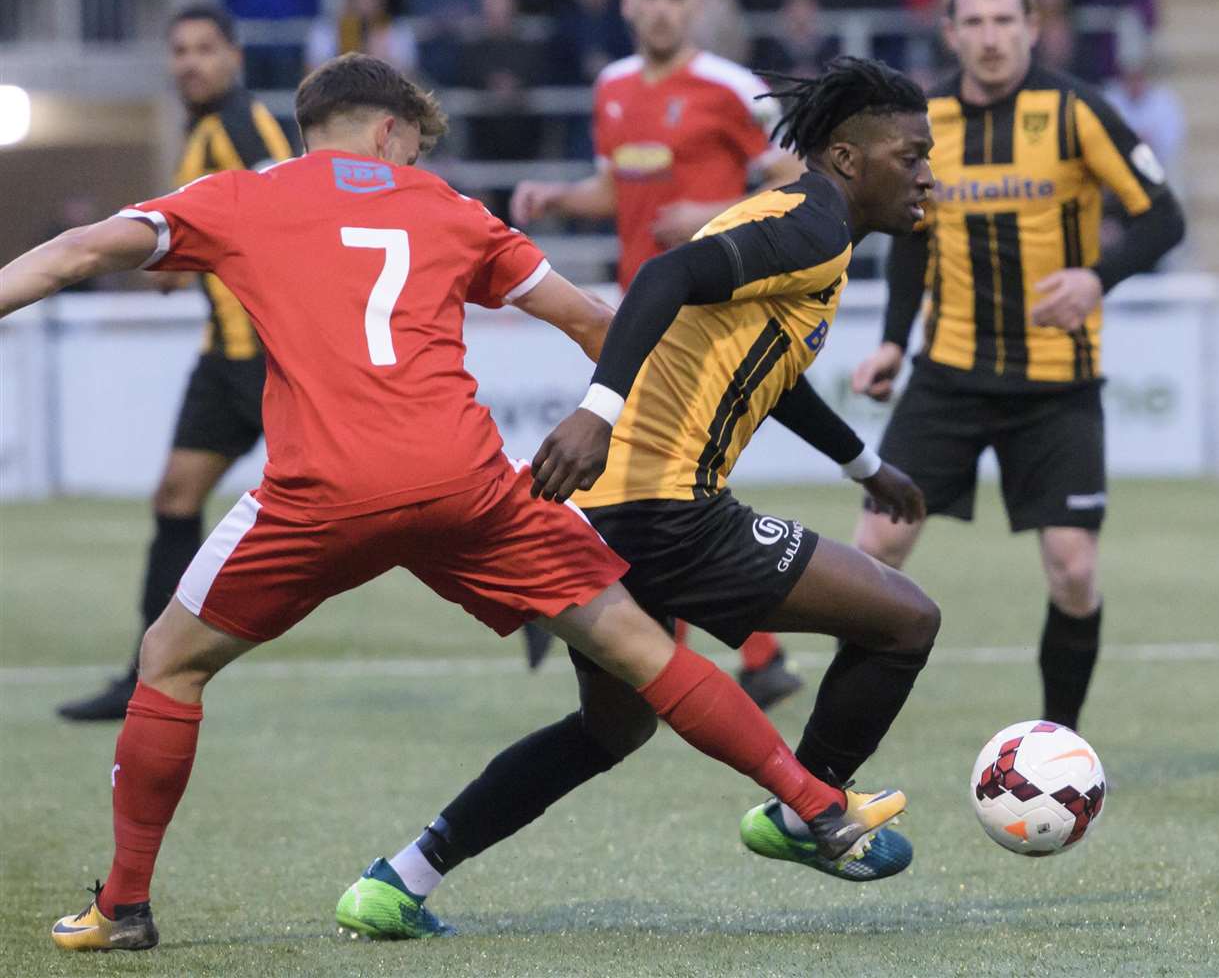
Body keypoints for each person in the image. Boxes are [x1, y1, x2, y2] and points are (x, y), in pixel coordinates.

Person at [4, 53, 908, 952]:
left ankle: (123, 907)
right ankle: (817, 807)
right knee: (637, 645)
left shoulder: (238, 195)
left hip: (323, 490)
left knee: (169, 661)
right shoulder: (449, 209)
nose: (414, 168)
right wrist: (619, 424)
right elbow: (593, 320)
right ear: (390, 130)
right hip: (467, 484)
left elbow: (79, 252)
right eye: (414, 150)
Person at [335, 57, 942, 939]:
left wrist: (863, 467)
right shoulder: (812, 222)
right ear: (847, 158)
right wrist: (595, 412)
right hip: (668, 510)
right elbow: (663, 277)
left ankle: (399, 879)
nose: (926, 172)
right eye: (911, 153)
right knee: (904, 620)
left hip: (615, 512)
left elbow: (769, 368)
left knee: (608, 730)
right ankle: (809, 811)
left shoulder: (805, 227)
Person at [849, 0, 1185, 732]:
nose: (991, 38)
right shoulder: (922, 121)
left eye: (1006, 22)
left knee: (1072, 571)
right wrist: (894, 343)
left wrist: (1097, 279)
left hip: (1057, 385)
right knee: (872, 553)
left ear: (1033, 28)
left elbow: (1163, 218)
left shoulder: (1077, 112)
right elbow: (909, 238)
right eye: (974, 22)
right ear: (950, 32)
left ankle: (1055, 748)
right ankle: (833, 752)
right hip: (948, 377)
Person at [509, 0, 806, 700]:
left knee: (653, 478)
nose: (663, 8)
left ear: (695, 6)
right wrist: (556, 197)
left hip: (708, 313)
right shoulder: (611, 88)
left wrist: (709, 214)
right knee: (660, 481)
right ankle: (748, 658)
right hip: (636, 316)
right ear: (626, 4)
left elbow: (798, 179)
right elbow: (616, 190)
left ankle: (561, 591)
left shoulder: (731, 88)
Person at [56, 5, 296, 723]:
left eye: (204, 49)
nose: (190, 62)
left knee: (369, 502)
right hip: (222, 356)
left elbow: (282, 218)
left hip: (262, 355)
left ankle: (526, 587)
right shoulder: (203, 129)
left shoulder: (245, 125)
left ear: (234, 55)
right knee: (174, 497)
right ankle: (144, 675)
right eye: (180, 50)